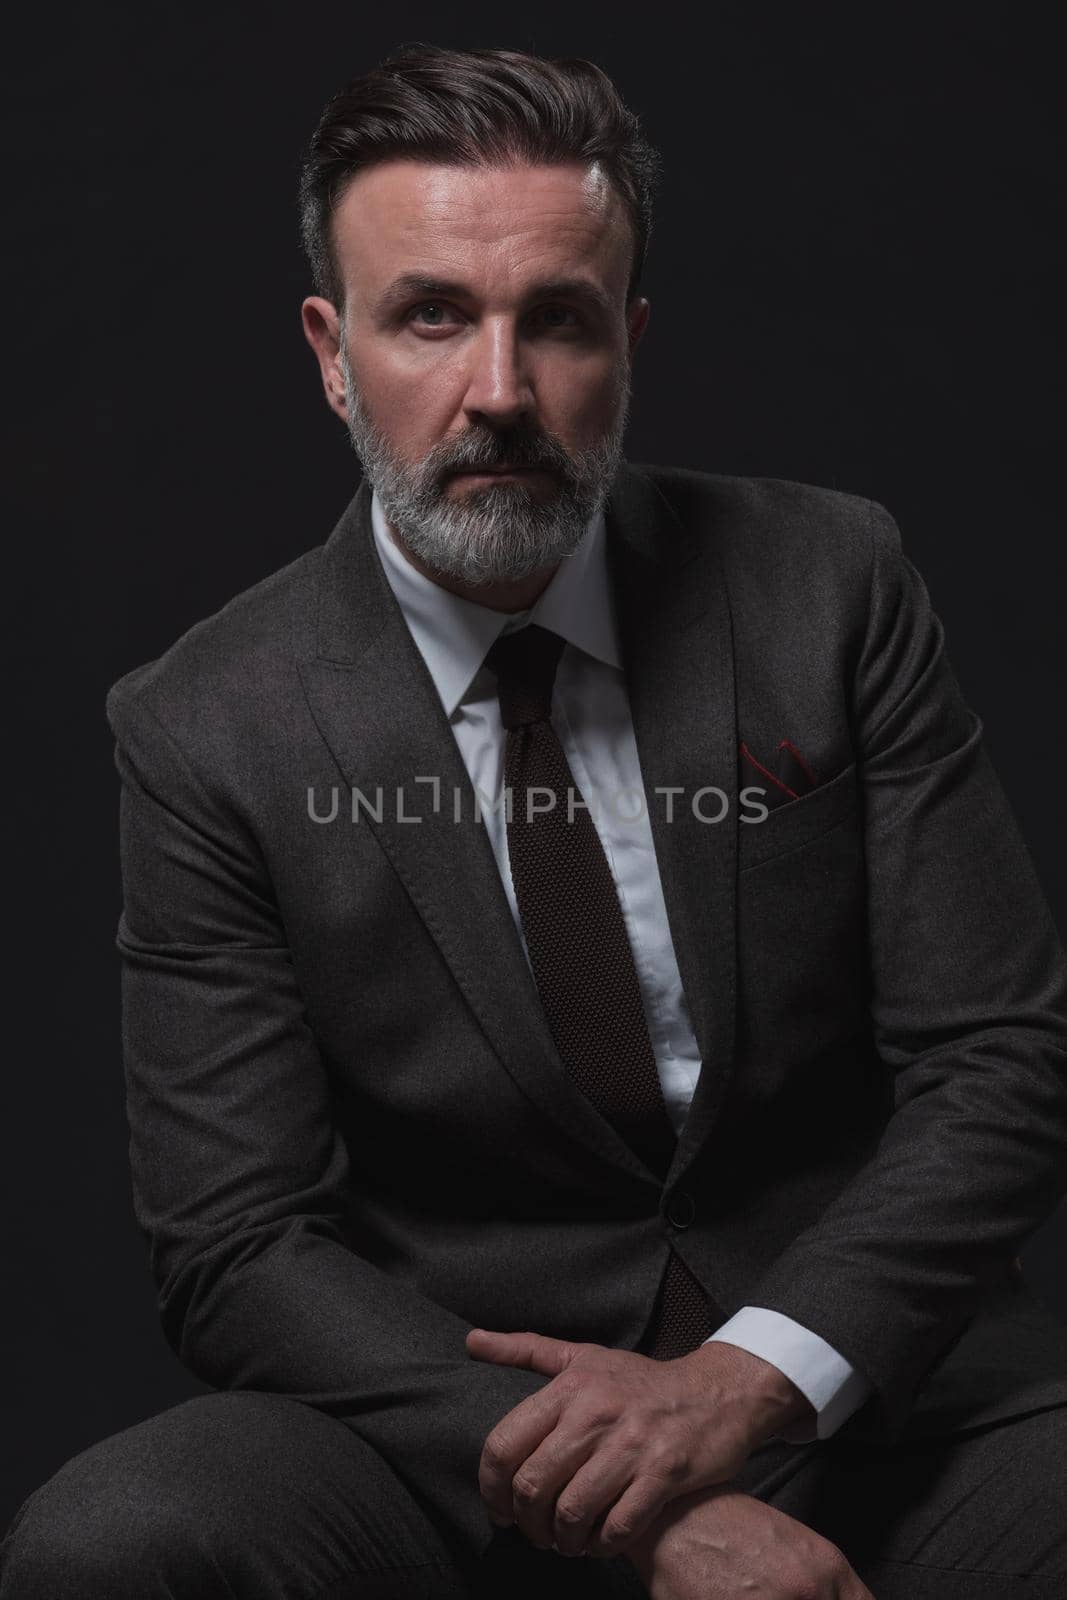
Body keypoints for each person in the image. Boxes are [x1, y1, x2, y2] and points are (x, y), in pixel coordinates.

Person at [3, 41, 1067, 1600]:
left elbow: (1003, 1057)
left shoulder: (829, 584)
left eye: (555, 320)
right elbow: (236, 1240)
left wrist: (742, 1386)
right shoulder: (204, 724)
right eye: (430, 313)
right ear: (331, 349)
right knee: (112, 1552)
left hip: (854, 1381)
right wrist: (634, 1498)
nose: (498, 392)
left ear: (626, 341)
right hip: (446, 1431)